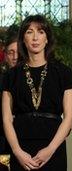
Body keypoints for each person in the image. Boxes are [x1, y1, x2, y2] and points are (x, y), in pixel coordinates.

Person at [2, 14, 72, 170]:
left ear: (47, 38)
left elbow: (68, 117)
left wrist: (50, 150)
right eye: (29, 32)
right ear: (23, 39)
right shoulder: (11, 75)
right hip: (21, 147)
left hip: (53, 145)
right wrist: (17, 151)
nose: (35, 37)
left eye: (40, 32)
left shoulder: (63, 73)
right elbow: (7, 118)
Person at [0, 29, 18, 171]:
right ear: (5, 55)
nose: (15, 57)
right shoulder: (2, 80)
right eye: (10, 52)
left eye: (18, 52)